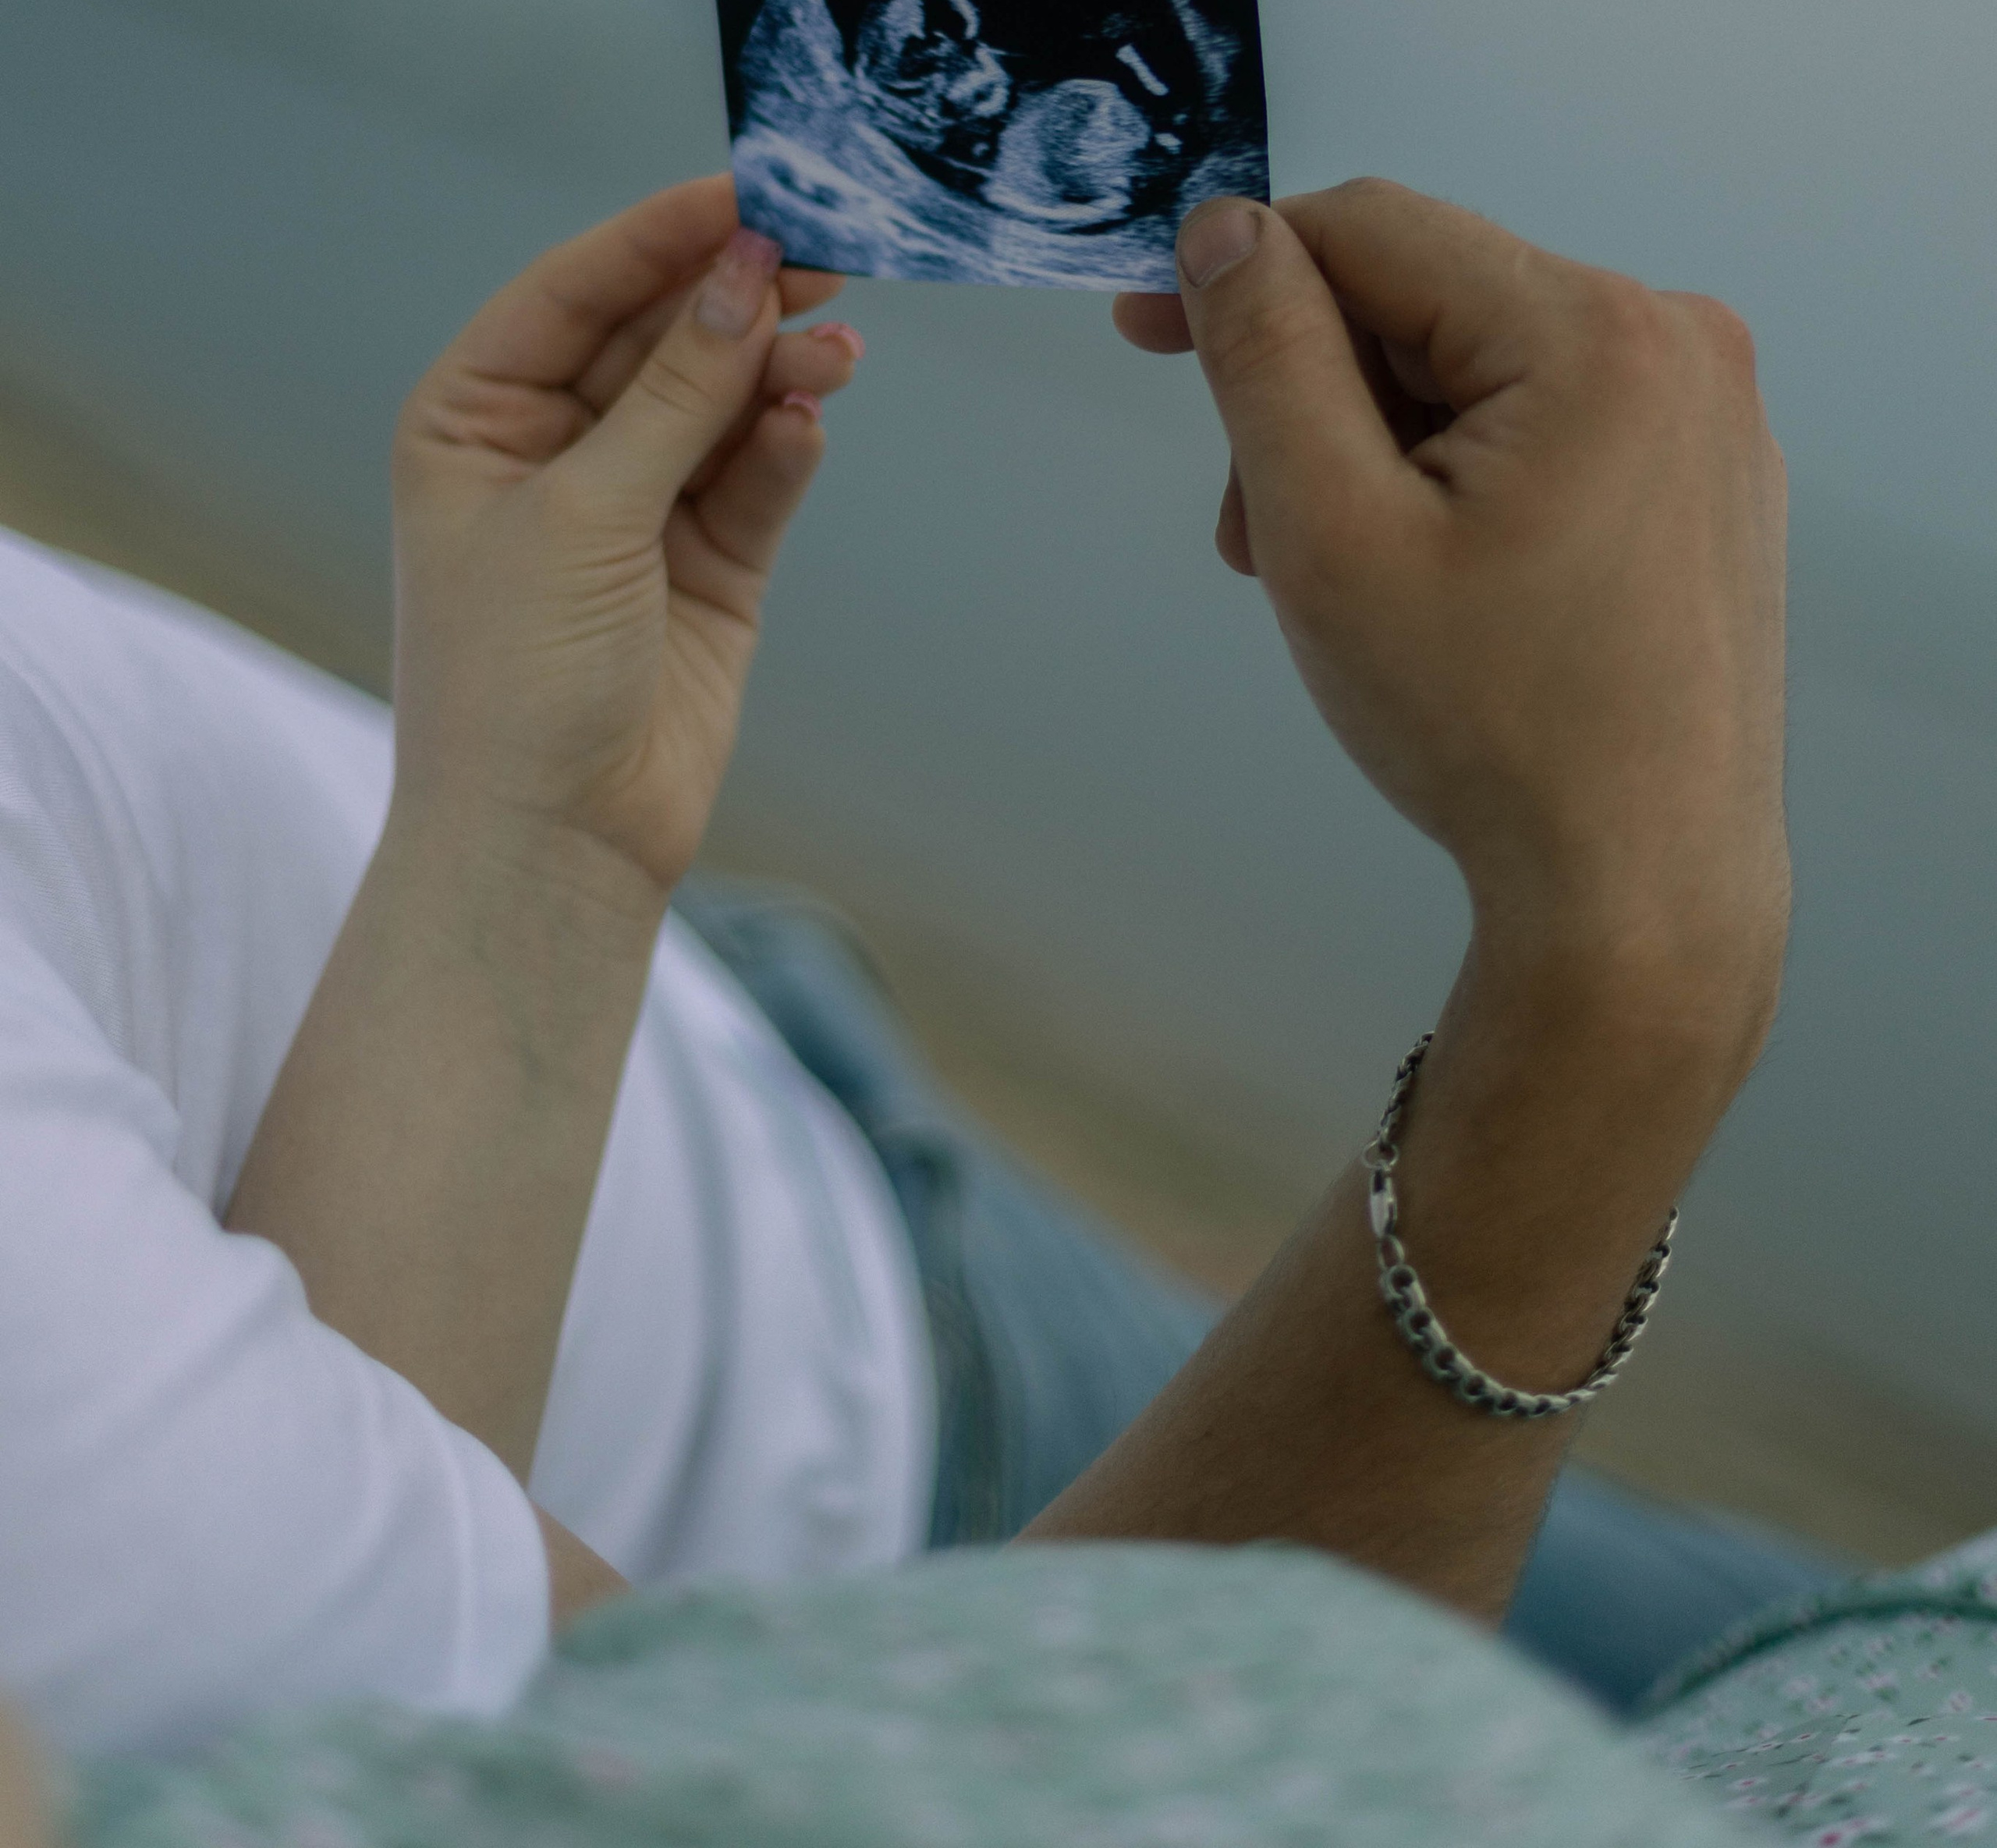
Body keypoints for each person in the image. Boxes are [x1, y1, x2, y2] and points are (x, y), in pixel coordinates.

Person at [9, 172, 1996, 1844]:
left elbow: (379, 1620)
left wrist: (540, 835)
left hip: (715, 1101)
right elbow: (955, 1772)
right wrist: (1627, 961)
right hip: (929, 1480)